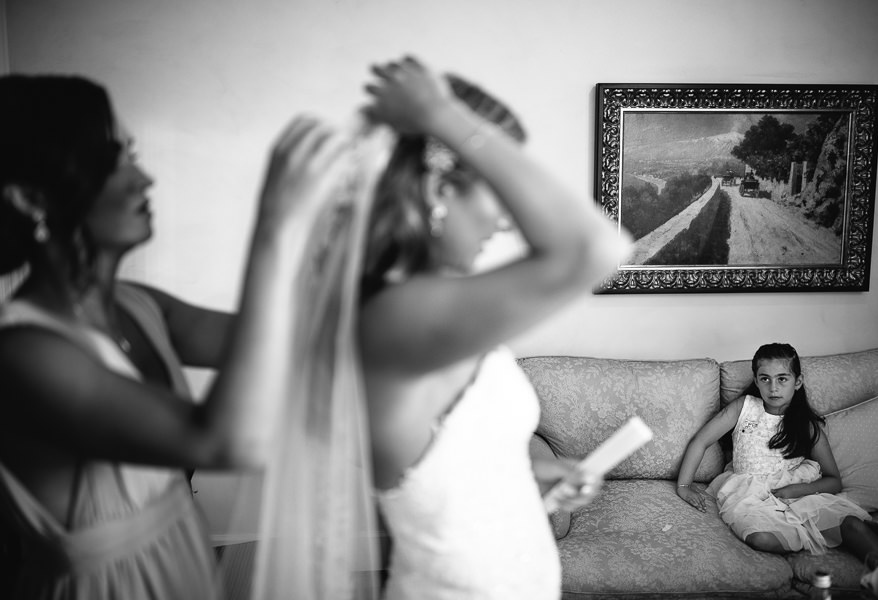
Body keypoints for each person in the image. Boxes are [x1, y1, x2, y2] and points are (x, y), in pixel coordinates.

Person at [0, 74, 366, 599]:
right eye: (112, 159)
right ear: (31, 198)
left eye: (132, 154)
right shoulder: (21, 354)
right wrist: (273, 227)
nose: (144, 178)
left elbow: (296, 341)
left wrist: (349, 230)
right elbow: (230, 440)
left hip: (185, 561)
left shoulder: (142, 306)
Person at [353, 57, 631, 598]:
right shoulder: (397, 318)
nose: (507, 220)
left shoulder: (443, 308)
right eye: (495, 195)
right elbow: (595, 247)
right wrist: (439, 112)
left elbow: (456, 457)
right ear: (439, 190)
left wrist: (528, 476)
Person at [676, 342, 878, 569]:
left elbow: (833, 480)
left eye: (782, 379)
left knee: (850, 525)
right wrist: (683, 485)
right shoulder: (745, 407)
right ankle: (835, 533)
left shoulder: (806, 425)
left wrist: (794, 491)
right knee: (761, 538)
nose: (773, 388)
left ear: (797, 382)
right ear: (756, 380)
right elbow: (700, 441)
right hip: (750, 494)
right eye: (765, 379)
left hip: (799, 494)